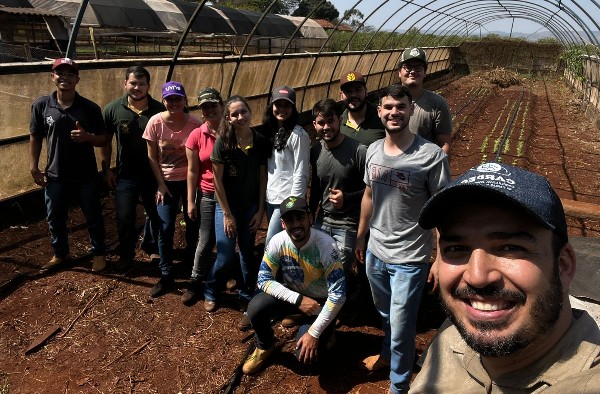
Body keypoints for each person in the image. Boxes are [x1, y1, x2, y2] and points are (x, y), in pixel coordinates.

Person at [411, 162, 600, 393]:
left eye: (509, 247)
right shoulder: (449, 343)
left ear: (563, 265)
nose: (477, 277)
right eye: (457, 248)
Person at [355, 84, 450, 394]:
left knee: (401, 325)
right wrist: (360, 237)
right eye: (388, 107)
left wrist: (440, 256)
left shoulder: (430, 155)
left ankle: (399, 386)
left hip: (410, 256)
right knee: (385, 314)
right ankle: (387, 354)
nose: (394, 112)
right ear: (379, 112)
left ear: (411, 110)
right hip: (375, 252)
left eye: (400, 106)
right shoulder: (373, 151)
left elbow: (442, 209)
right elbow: (369, 194)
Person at [242, 196, 346, 375]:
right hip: (294, 295)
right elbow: (263, 279)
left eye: (300, 218)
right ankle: (265, 345)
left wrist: (314, 332)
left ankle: (324, 330)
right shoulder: (278, 241)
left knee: (305, 359)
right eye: (290, 220)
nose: (296, 224)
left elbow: (338, 295)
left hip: (320, 303)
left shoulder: (326, 246)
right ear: (283, 223)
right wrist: (298, 300)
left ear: (310, 218)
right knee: (255, 307)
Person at [29, 58, 109, 272]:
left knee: (93, 215)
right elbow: (35, 136)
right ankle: (60, 253)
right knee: (54, 217)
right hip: (55, 175)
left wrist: (87, 137)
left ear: (77, 79)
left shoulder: (89, 108)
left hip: (85, 175)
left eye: (70, 74)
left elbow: (103, 139)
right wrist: (34, 167)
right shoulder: (42, 105)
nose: (65, 77)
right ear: (52, 76)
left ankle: (99, 253)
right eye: (60, 73)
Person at [203, 95, 268, 313]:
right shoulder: (224, 142)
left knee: (248, 252)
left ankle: (245, 292)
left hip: (250, 206)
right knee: (225, 254)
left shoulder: (259, 140)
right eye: (235, 114)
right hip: (227, 207)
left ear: (250, 113)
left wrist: (260, 210)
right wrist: (227, 214)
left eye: (244, 112)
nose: (241, 117)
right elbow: (217, 180)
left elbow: (262, 178)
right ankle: (211, 289)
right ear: (228, 118)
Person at [101, 65, 165, 270]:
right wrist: (106, 169)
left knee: (155, 213)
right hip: (126, 174)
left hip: (153, 174)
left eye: (141, 84)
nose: (137, 87)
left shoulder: (159, 109)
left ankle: (153, 248)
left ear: (148, 86)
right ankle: (126, 253)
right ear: (125, 84)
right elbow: (105, 140)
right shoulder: (113, 109)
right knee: (124, 216)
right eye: (133, 83)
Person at [143, 81, 202, 297]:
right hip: (165, 183)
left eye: (178, 99)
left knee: (192, 222)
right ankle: (166, 273)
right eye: (169, 99)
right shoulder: (155, 122)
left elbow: (198, 158)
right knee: (165, 226)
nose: (174, 103)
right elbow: (151, 156)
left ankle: (191, 262)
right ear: (164, 101)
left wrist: (192, 192)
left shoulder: (194, 124)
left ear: (185, 100)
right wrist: (160, 184)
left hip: (188, 181)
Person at [309, 98, 366, 316]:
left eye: (330, 121)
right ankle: (324, 307)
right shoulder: (316, 152)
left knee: (339, 267)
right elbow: (315, 187)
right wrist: (310, 213)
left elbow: (371, 191)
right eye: (320, 123)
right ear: (314, 124)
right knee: (319, 265)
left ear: (340, 120)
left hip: (348, 222)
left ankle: (334, 313)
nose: (326, 127)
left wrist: (348, 198)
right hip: (323, 219)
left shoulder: (358, 151)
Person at [182, 87, 224, 305]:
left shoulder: (233, 131)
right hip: (207, 194)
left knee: (226, 241)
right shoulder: (197, 134)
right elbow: (192, 170)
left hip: (230, 195)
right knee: (206, 240)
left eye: (213, 105)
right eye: (205, 107)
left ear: (221, 105)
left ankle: (221, 279)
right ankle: (195, 281)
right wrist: (190, 200)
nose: (209, 110)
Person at [260, 85, 310, 245]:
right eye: (278, 105)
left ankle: (268, 270)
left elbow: (301, 171)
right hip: (271, 197)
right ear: (272, 106)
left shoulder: (298, 134)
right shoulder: (270, 132)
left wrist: (294, 204)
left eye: (287, 105)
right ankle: (285, 270)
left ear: (293, 108)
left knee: (271, 242)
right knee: (283, 243)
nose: (282, 109)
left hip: (286, 199)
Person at [398, 47, 452, 159]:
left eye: (418, 67)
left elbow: (444, 144)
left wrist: (440, 170)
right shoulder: (389, 101)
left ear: (424, 73)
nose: (412, 71)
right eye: (407, 67)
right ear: (399, 72)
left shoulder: (437, 103)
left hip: (423, 168)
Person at [339, 70, 385, 146]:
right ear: (341, 95)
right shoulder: (338, 124)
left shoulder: (382, 116)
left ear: (366, 91)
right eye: (348, 91)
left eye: (358, 90)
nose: (353, 95)